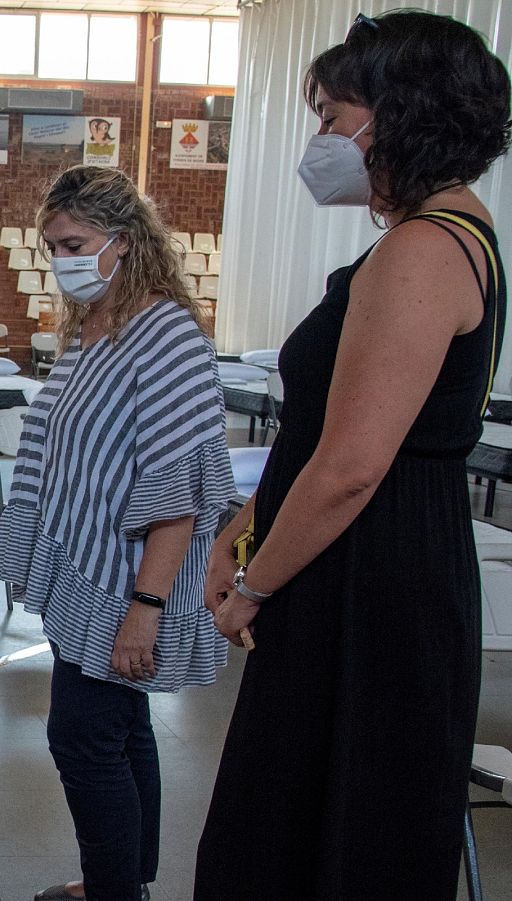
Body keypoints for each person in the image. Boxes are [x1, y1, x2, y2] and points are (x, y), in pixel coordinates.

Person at [195, 12, 511, 898]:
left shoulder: (424, 249)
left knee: (339, 831)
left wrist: (255, 584)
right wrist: (246, 529)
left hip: (373, 571)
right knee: (294, 816)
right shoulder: (434, 235)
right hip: (361, 555)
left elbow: (352, 464)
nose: (322, 139)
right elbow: (323, 434)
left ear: (400, 116)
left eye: (335, 116)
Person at [0, 165, 234, 901]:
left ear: (123, 243)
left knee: (83, 739)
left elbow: (178, 490)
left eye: (74, 242)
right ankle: (122, 881)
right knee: (122, 729)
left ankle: (113, 891)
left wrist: (144, 608)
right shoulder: (94, 328)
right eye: (51, 245)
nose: (60, 259)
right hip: (83, 570)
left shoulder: (167, 333)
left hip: (127, 581)